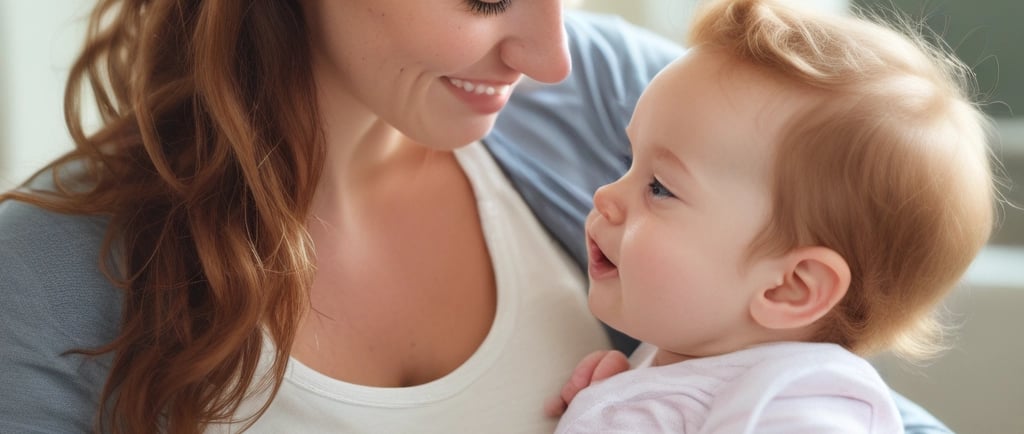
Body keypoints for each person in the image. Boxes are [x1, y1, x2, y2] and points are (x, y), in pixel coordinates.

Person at [0, 0, 958, 433]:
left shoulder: (616, 98)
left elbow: (829, 384)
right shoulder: (47, 286)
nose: (547, 55)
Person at [544, 0, 996, 432]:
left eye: (659, 188)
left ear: (790, 286)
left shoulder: (800, 403)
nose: (605, 194)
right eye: (629, 160)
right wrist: (617, 401)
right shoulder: (695, 358)